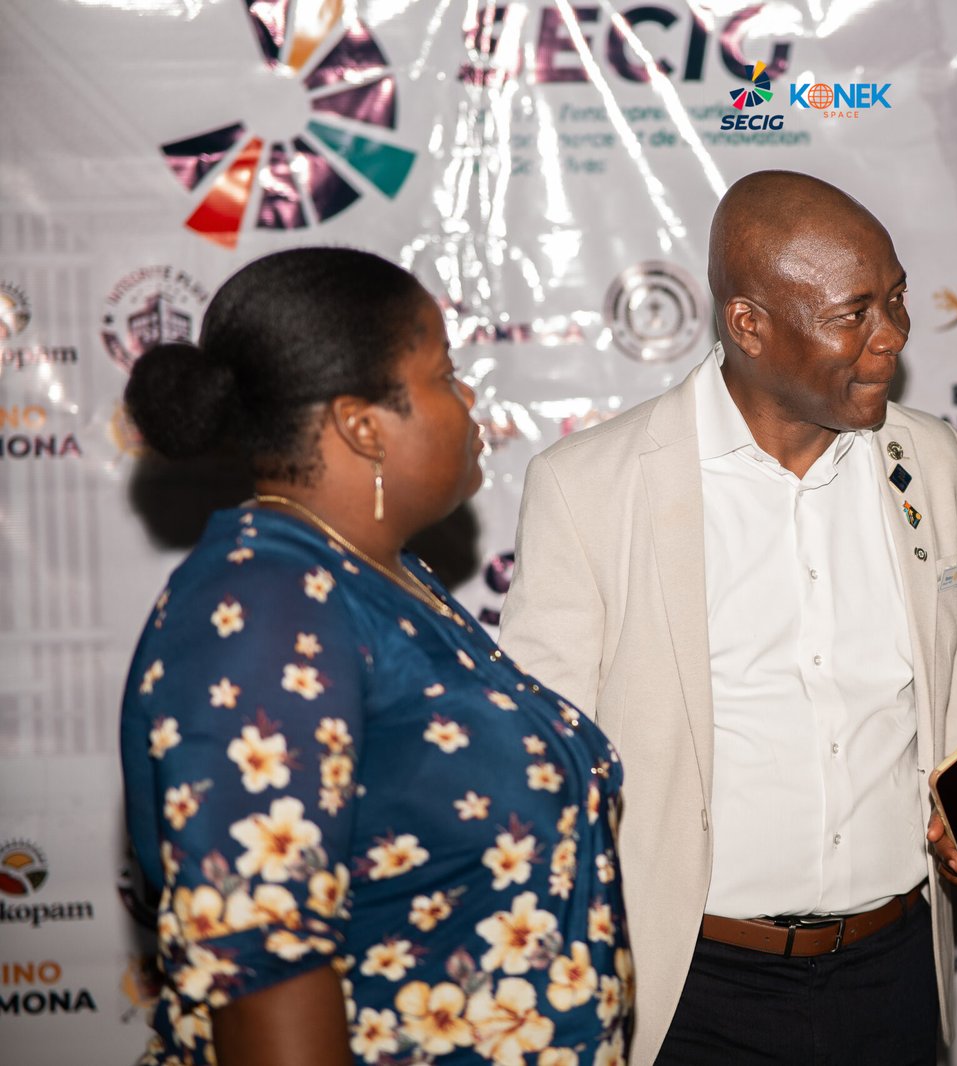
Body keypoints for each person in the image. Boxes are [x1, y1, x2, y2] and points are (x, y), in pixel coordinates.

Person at [498, 171, 957, 1065]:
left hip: (892, 977)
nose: (893, 335)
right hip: (690, 993)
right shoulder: (590, 487)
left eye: (896, 299)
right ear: (749, 324)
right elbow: (544, 772)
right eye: (853, 314)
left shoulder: (930, 461)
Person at [119, 248, 629, 1066]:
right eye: (445, 377)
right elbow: (265, 970)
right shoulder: (265, 606)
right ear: (362, 425)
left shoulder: (382, 579)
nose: (470, 401)